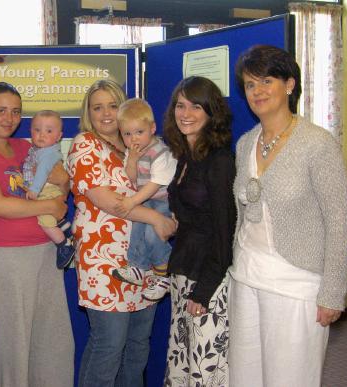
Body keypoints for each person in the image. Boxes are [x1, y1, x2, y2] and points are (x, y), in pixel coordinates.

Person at [229, 44, 347, 387]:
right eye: (250, 85)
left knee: (290, 379)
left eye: (266, 81)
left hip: (295, 283)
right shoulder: (245, 143)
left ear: (289, 84)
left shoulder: (317, 143)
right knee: (244, 376)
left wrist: (332, 291)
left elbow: (340, 220)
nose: (257, 91)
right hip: (246, 277)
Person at [0, 82, 74, 387]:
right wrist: (49, 204)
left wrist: (60, 185)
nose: (9, 118)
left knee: (53, 341)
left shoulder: (28, 147)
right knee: (13, 344)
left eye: (15, 112)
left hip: (47, 254)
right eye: (1, 111)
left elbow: (63, 182)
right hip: (8, 258)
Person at [67, 79, 176, 387]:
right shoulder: (85, 144)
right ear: (88, 112)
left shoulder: (135, 145)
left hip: (140, 260)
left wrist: (168, 216)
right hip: (105, 261)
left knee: (138, 346)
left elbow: (161, 186)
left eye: (113, 106)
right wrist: (155, 218)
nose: (105, 114)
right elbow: (109, 202)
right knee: (109, 345)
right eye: (97, 107)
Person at [162, 76, 235, 386]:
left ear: (211, 112)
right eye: (180, 105)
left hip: (209, 281)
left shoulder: (219, 161)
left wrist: (204, 291)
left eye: (196, 106)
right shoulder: (185, 158)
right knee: (181, 362)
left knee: (205, 369)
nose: (186, 113)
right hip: (183, 274)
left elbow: (225, 231)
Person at [111, 98, 177, 301]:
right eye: (127, 134)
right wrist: (131, 160)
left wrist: (132, 201)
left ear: (152, 128)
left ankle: (164, 271)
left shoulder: (161, 152)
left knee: (151, 233)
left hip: (164, 200)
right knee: (136, 228)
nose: (134, 139)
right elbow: (132, 179)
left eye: (139, 132)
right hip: (146, 199)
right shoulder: (132, 152)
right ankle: (138, 266)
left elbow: (155, 183)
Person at [22, 109, 75, 269]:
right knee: (52, 217)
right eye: (37, 130)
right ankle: (65, 227)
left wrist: (34, 190)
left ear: (59, 136)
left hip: (46, 190)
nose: (41, 135)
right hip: (47, 189)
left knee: (45, 222)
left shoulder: (48, 154)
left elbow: (43, 171)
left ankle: (64, 245)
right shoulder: (39, 150)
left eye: (49, 131)